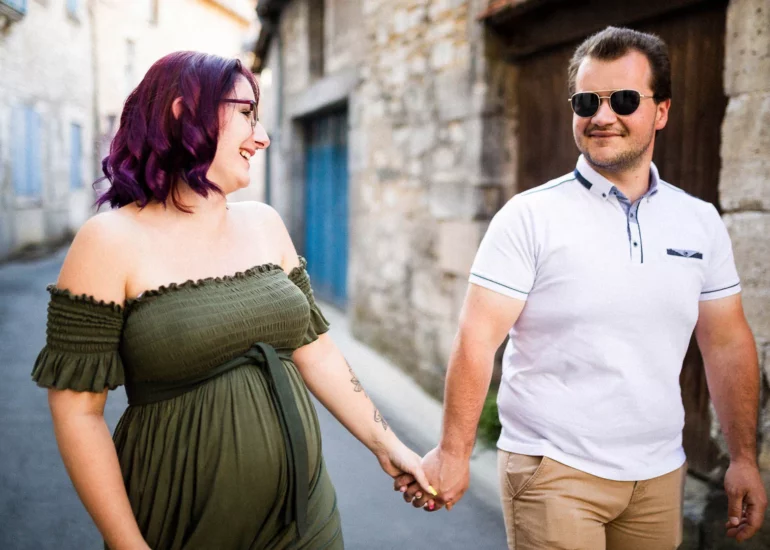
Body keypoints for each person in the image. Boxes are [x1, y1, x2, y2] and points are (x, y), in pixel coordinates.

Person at [32, 51, 433, 550]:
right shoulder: (107, 241)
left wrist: (386, 444)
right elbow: (78, 414)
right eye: (246, 114)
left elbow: (318, 352)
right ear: (183, 113)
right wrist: (127, 545)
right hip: (182, 526)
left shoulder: (265, 223)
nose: (260, 137)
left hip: (305, 520)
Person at [397, 26, 767, 548]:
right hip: (554, 471)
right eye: (588, 100)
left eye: (623, 100)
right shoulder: (529, 217)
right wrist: (454, 453)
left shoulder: (700, 222)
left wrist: (744, 459)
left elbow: (726, 340)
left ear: (661, 111)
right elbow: (477, 338)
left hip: (659, 475)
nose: (602, 115)